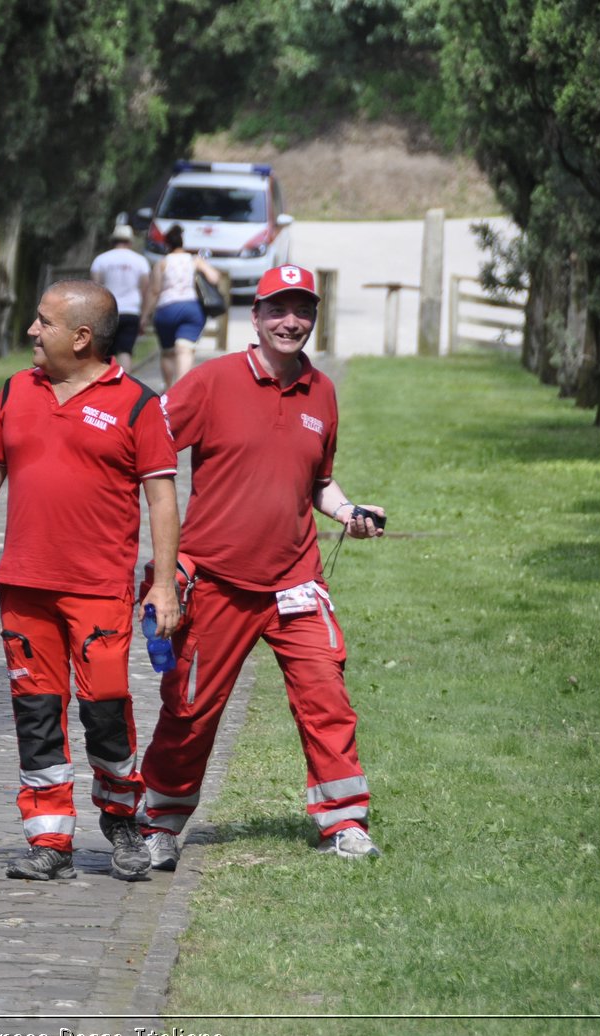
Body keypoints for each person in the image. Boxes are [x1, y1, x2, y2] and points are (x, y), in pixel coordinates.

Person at [136, 264, 386, 870]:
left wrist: (347, 509)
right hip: (217, 581)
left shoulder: (322, 392)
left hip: (296, 578)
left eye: (302, 311)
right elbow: (148, 446)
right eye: (278, 309)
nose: (291, 322)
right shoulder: (212, 381)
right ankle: (160, 825)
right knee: (190, 710)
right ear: (256, 316)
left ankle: (344, 822)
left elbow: (318, 482)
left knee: (327, 697)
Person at [0, 280, 180, 882]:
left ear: (81, 336)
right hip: (24, 587)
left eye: (41, 322)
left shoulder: (138, 406)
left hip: (98, 591)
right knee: (37, 714)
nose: (30, 332)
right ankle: (49, 840)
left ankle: (122, 821)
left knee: (105, 712)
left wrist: (165, 583)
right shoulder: (16, 389)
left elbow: (162, 499)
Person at [141, 223, 225, 388]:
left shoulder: (162, 263)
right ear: (182, 242)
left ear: (167, 244)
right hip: (191, 308)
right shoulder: (194, 260)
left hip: (166, 309)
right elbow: (214, 277)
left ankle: (168, 387)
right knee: (185, 349)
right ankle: (182, 389)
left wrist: (144, 315)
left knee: (167, 353)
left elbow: (155, 291)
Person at [88, 223, 151, 369]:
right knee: (126, 351)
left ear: (113, 240)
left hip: (108, 311)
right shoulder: (140, 261)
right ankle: (126, 384)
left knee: (105, 352)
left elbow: (94, 289)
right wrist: (145, 315)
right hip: (131, 311)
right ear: (130, 241)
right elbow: (145, 289)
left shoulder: (101, 260)